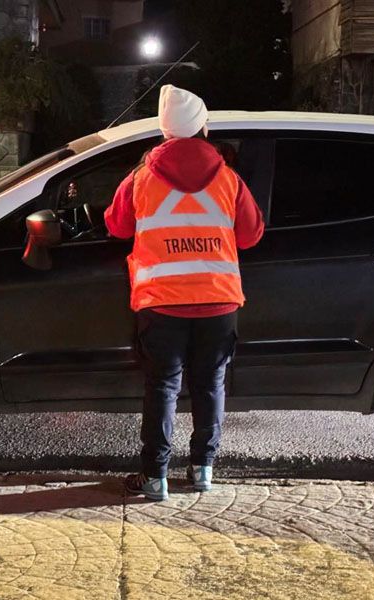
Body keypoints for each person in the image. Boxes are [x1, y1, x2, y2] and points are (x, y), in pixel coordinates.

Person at [104, 85, 264, 501]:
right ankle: (203, 470)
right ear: (203, 129)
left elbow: (117, 226)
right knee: (210, 384)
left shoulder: (140, 178)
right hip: (217, 300)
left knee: (163, 386)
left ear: (165, 132)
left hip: (161, 302)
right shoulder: (229, 179)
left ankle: (154, 476)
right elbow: (251, 235)